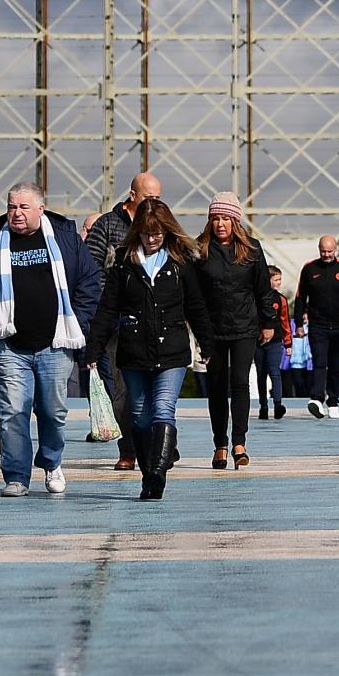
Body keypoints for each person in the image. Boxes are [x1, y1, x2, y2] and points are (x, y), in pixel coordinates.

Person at [0, 182, 100, 498]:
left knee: (53, 412)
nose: (17, 213)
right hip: (8, 344)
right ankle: (16, 476)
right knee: (13, 412)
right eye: (12, 207)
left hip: (55, 343)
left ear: (41, 208)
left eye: (24, 207)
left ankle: (52, 463)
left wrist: (76, 322)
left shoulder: (65, 238)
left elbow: (89, 282)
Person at [87, 199, 209, 501]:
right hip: (134, 349)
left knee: (163, 408)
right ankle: (147, 470)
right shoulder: (123, 263)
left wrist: (207, 342)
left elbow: (196, 305)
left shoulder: (181, 262)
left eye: (157, 234)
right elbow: (107, 308)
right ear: (137, 231)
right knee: (139, 414)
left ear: (166, 232)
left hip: (172, 349)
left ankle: (156, 475)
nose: (152, 240)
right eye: (145, 234)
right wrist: (93, 348)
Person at [190, 196, 280, 465]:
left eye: (226, 219)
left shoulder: (252, 249)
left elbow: (263, 289)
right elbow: (193, 293)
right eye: (216, 218)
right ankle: (220, 444)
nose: (220, 224)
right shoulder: (199, 249)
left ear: (235, 221)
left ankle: (239, 443)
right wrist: (197, 326)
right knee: (216, 386)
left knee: (240, 382)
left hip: (244, 327)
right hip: (212, 330)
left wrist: (268, 323)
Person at [85, 171, 164, 469]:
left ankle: (161, 442)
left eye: (158, 198)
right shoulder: (107, 226)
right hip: (119, 322)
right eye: (149, 197)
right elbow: (90, 272)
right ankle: (129, 448)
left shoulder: (163, 226)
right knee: (123, 390)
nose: (153, 204)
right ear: (133, 195)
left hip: (156, 323)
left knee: (158, 387)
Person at [294, 233, 339, 418]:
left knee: (335, 365)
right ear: (319, 250)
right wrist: (299, 324)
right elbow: (300, 297)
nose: (326, 254)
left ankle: (333, 401)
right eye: (323, 251)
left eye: (330, 251)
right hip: (317, 325)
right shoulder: (309, 269)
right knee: (319, 362)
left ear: (335, 250)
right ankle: (317, 399)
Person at [257, 266, 293, 421]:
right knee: (261, 374)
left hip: (275, 341)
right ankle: (263, 406)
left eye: (280, 279)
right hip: (257, 341)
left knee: (275, 372)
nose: (279, 282)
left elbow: (285, 322)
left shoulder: (281, 300)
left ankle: (278, 404)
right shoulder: (255, 297)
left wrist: (288, 343)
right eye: (276, 279)